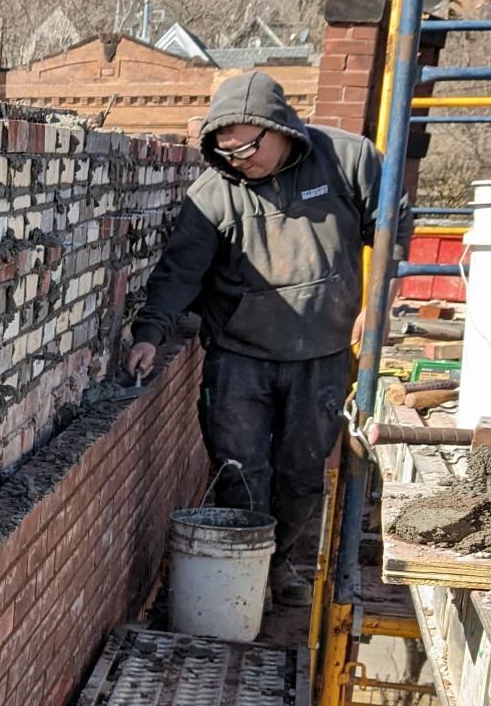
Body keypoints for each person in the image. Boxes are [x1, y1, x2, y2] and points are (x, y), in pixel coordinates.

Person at [126, 70, 399, 607]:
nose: (238, 160)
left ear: (279, 129)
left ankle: (277, 563)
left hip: (321, 356)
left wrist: (379, 304)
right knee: (239, 470)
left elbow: (391, 228)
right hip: (238, 358)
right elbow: (179, 272)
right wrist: (150, 334)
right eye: (225, 151)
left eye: (247, 146)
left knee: (301, 475)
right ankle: (243, 574)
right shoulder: (215, 192)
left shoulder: (348, 160)